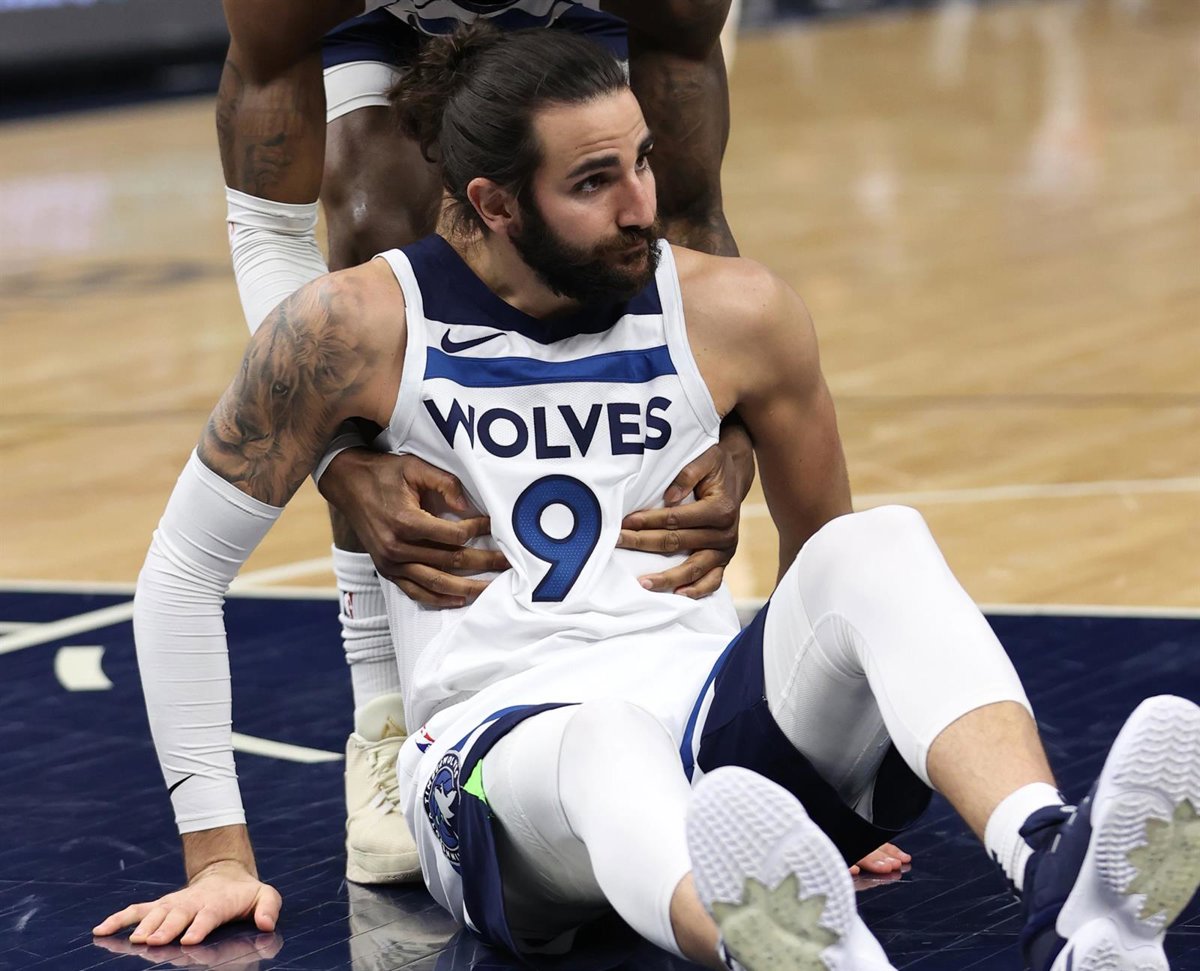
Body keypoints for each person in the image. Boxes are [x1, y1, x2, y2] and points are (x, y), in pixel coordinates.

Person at [95, 27, 1199, 969]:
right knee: (606, 740)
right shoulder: (352, 327)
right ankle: (790, 940)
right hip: (498, 762)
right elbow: (181, 575)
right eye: (593, 182)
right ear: (492, 203)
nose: (640, 206)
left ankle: (1052, 865)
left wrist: (837, 781)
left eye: (643, 163)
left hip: (717, 728)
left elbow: (827, 578)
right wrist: (219, 855)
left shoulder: (737, 310)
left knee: (881, 544)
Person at [216, 0, 751, 886]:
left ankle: (679, 680)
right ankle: (385, 718)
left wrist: (731, 431)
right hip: (361, 41)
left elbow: (688, 209)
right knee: (372, 215)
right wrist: (338, 457)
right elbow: (270, 228)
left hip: (582, 27)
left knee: (604, 219)